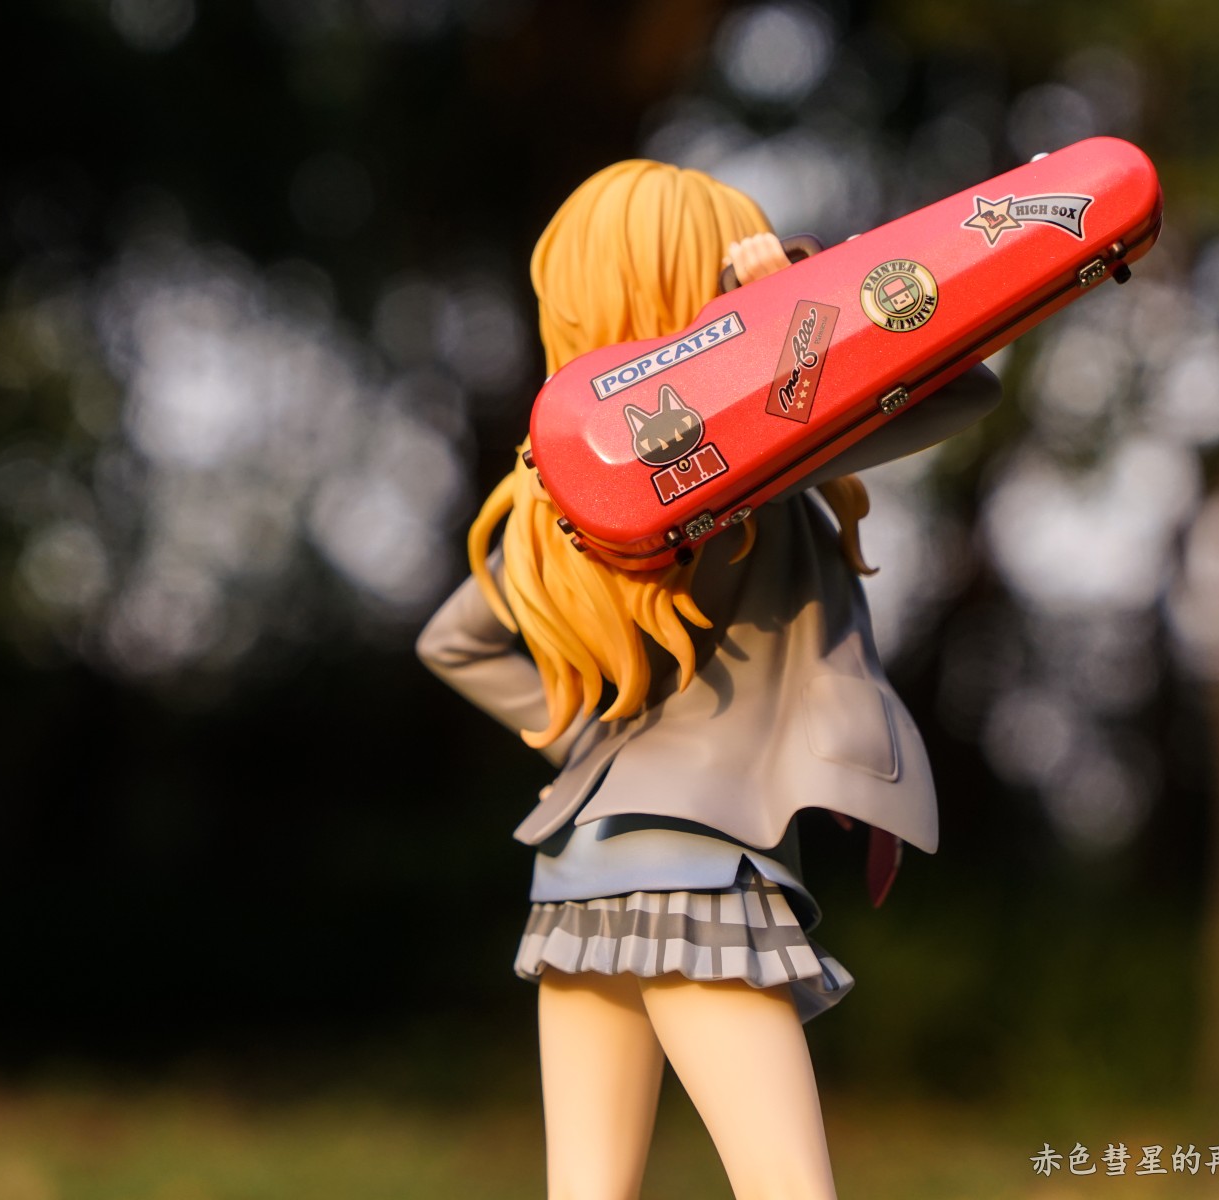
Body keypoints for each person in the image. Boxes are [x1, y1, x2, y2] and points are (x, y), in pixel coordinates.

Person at [417, 159, 998, 1200]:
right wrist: (806, 305)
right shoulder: (740, 464)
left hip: (579, 868)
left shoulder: (559, 500)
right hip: (700, 875)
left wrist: (592, 750)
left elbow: (451, 641)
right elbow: (965, 386)